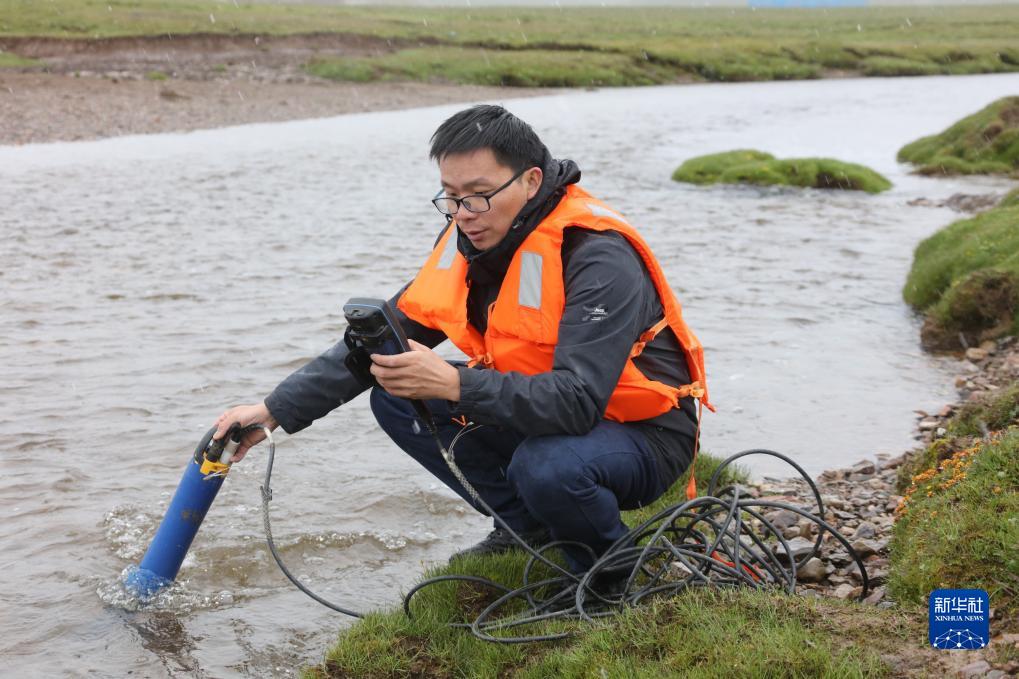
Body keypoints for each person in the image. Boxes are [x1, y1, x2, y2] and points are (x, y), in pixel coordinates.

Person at [214, 104, 711, 575]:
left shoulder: (597, 256)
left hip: (644, 433)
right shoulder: (467, 238)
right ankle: (527, 526)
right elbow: (386, 337)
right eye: (450, 196)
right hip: (546, 413)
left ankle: (611, 572)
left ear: (531, 181)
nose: (463, 213)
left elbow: (577, 402)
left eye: (478, 195)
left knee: (546, 466)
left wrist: (454, 383)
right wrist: (274, 409)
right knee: (397, 392)